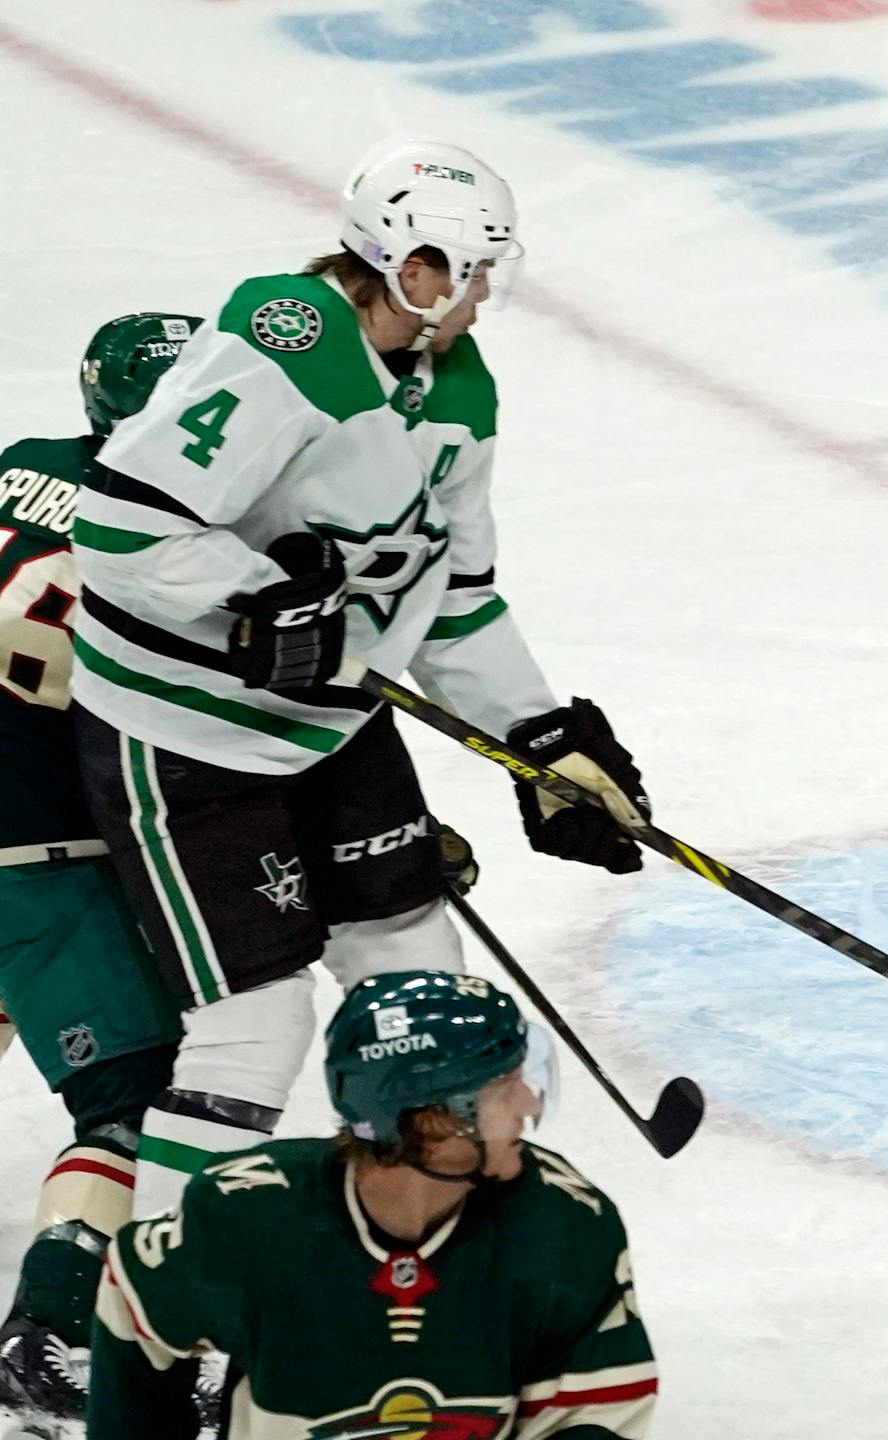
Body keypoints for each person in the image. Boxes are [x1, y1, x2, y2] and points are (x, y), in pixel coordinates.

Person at [68, 135, 653, 1214]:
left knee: (422, 988)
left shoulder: (457, 389)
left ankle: (428, 1246)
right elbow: (120, 526)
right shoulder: (283, 346)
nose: (485, 295)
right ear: (415, 270)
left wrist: (539, 738)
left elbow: (453, 595)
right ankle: (160, 1294)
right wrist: (255, 602)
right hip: (186, 739)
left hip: (333, 723)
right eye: (473, 272)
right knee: (257, 1026)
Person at [89, 970, 658, 1437]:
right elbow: (135, 1303)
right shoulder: (248, 1217)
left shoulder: (565, 1228)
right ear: (434, 1121)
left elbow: (594, 1414)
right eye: (507, 1087)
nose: (530, 1104)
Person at [0, 314, 201, 1428]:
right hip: (36, 853)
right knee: (138, 1100)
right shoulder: (167, 537)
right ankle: (53, 1332)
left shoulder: (22, 465)